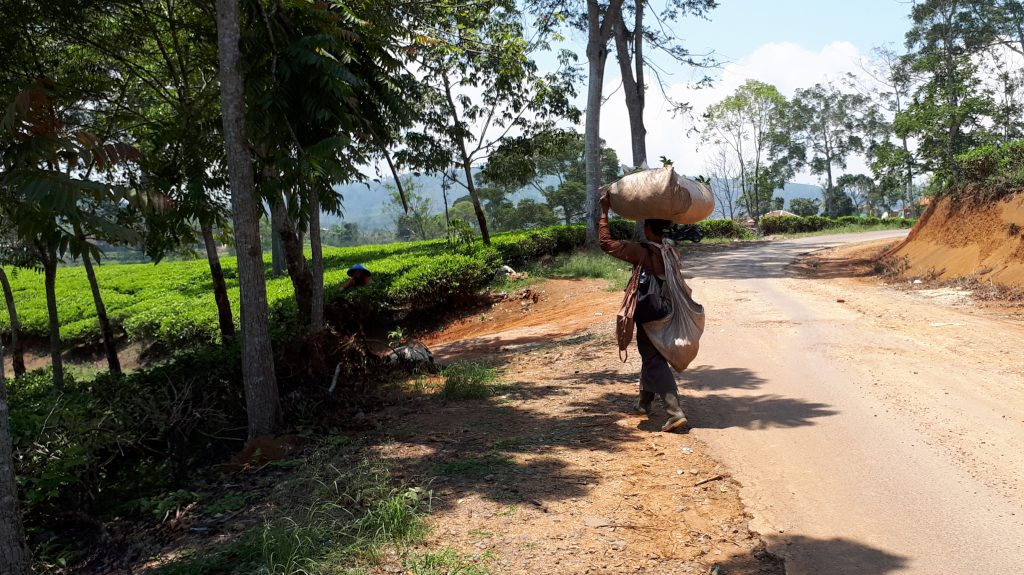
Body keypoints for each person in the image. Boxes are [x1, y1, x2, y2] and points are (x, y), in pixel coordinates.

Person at [599, 193, 688, 432]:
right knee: (650, 352)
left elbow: (606, 244)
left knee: (653, 358)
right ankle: (644, 402)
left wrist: (604, 212)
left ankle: (674, 412)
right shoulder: (670, 250)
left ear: (649, 229)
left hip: (650, 311)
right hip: (668, 308)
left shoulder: (644, 251)